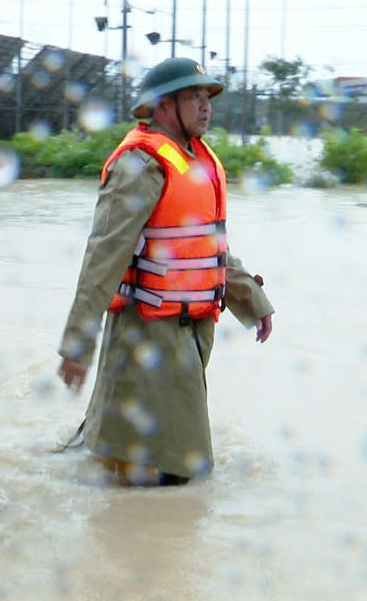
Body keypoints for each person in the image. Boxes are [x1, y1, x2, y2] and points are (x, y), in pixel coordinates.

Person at [56, 57, 274, 486]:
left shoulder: (195, 160)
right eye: (192, 96)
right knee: (178, 470)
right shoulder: (140, 164)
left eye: (206, 96)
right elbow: (103, 256)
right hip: (147, 332)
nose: (205, 106)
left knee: (149, 458)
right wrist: (78, 342)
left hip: (188, 329)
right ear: (161, 107)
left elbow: (207, 251)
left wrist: (252, 298)